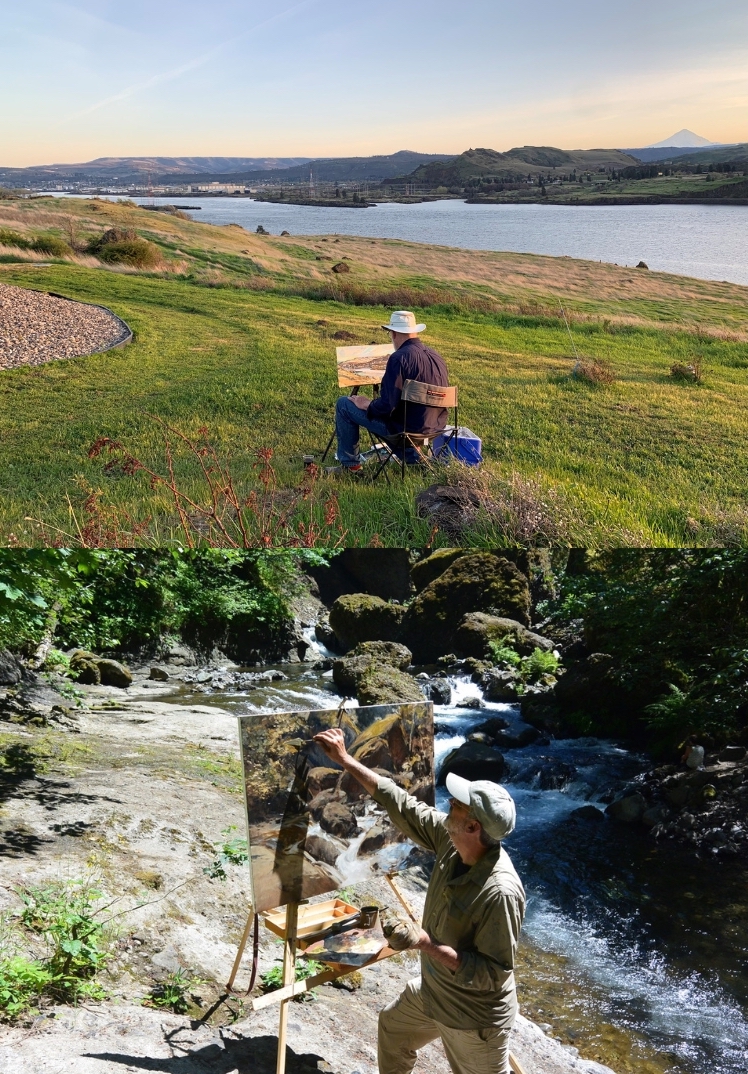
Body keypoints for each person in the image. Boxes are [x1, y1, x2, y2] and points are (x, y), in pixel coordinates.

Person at [313, 726, 525, 1074]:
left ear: (473, 827)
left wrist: (425, 943)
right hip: (434, 991)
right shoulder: (450, 837)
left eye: (455, 805)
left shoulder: (499, 891)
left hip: (472, 1016)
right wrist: (347, 760)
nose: (447, 808)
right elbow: (402, 803)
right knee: (393, 1030)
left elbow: (492, 974)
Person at [328, 310, 449, 474]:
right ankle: (416, 457)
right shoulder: (436, 356)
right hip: (434, 430)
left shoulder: (398, 358)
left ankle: (351, 467)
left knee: (344, 404)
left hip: (405, 432)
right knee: (409, 415)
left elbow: (387, 406)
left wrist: (367, 404)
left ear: (393, 333)